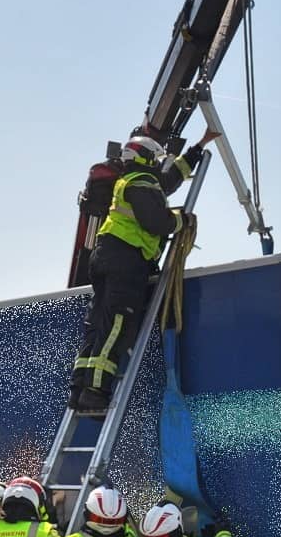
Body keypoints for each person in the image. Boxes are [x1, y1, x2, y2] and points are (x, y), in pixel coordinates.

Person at [69, 134, 203, 414]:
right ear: (145, 157)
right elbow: (157, 222)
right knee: (116, 324)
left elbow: (167, 182)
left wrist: (196, 150)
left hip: (107, 256)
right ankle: (95, 392)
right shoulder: (141, 183)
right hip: (126, 259)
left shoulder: (133, 179)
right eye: (155, 157)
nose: (158, 162)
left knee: (97, 324)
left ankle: (80, 387)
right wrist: (183, 220)